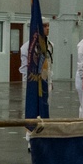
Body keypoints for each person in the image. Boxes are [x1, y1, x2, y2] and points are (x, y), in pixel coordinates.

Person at [20, 20, 52, 149]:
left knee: (44, 108)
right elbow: (24, 70)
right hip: (32, 84)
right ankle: (30, 138)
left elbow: (49, 66)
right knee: (32, 110)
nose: (47, 28)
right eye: (44, 26)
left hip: (45, 82)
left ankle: (44, 135)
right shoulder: (27, 47)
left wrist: (50, 82)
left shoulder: (49, 45)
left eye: (48, 25)